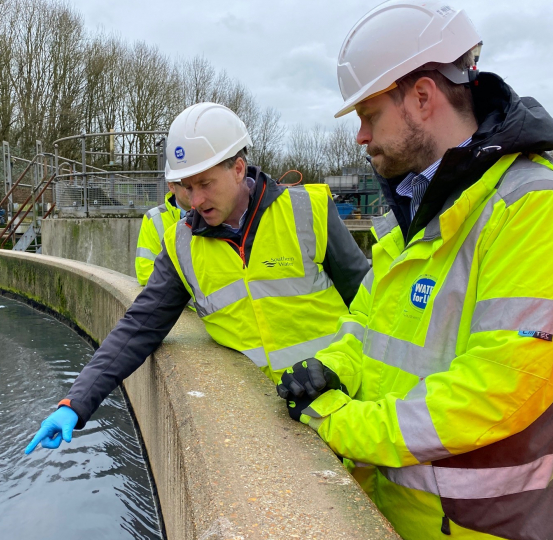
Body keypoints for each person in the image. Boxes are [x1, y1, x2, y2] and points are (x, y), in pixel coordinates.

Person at [276, 2, 553, 539]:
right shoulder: (411, 216)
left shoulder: (534, 208)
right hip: (394, 514)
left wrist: (340, 422)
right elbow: (364, 331)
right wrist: (331, 370)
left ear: (423, 97)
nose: (361, 136)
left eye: (368, 115)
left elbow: (500, 389)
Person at [25, 102, 369, 453]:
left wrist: (337, 366)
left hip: (349, 401)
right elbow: (139, 327)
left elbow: (373, 306)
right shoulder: (181, 245)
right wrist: (76, 403)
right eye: (187, 187)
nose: (195, 200)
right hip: (272, 425)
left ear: (238, 168)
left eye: (205, 183)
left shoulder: (308, 210)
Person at [135, 181, 191, 285]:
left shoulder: (216, 213)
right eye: (187, 184)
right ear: (172, 186)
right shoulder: (154, 218)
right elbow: (145, 273)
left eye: (202, 183)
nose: (195, 190)